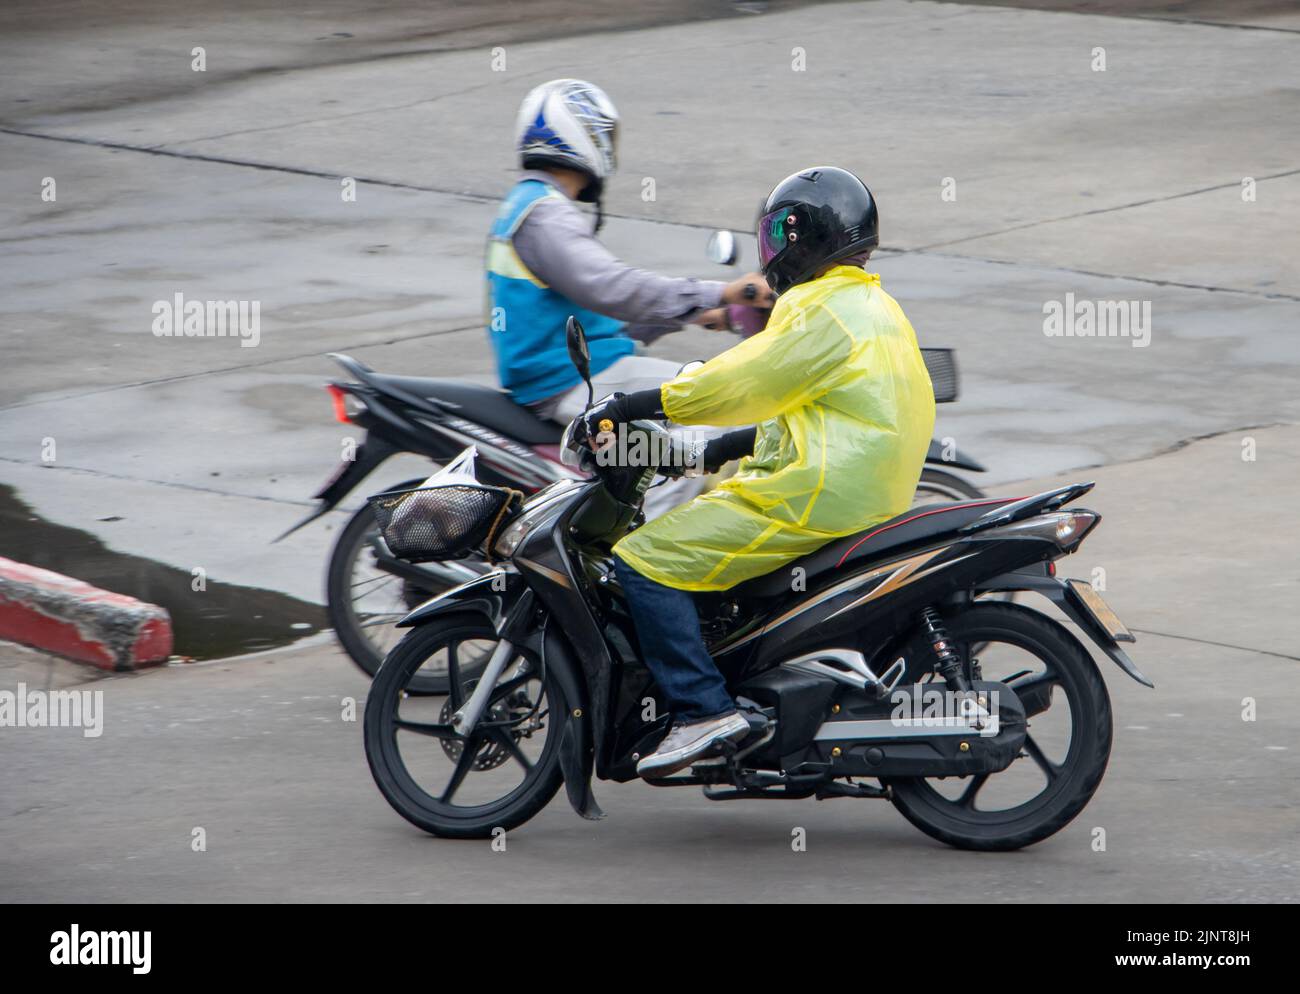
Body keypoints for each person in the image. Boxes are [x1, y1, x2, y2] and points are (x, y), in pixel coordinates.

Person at [580, 166, 937, 777]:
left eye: (776, 233)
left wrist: (636, 403)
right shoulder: (871, 303)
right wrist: (714, 452)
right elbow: (804, 408)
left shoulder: (818, 309)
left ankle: (702, 711)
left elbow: (742, 381)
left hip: (819, 492)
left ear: (799, 238)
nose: (770, 249)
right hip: (862, 484)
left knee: (643, 560)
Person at [486, 78, 772, 516]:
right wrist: (724, 289)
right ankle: (643, 556)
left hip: (572, 366)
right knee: (718, 404)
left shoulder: (530, 204)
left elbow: (600, 317)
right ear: (578, 133)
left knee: (691, 414)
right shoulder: (544, 215)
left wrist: (706, 314)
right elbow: (615, 289)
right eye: (604, 134)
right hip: (569, 377)